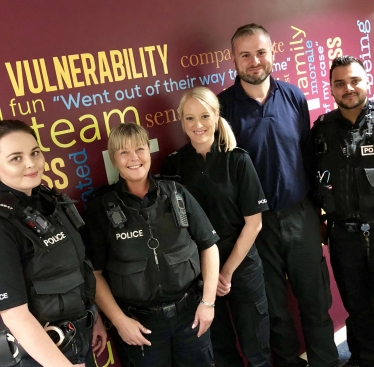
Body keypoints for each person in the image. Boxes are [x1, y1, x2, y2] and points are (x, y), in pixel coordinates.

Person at [217, 23, 338, 367]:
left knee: (316, 304)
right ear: (234, 59)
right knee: (274, 312)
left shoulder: (294, 96)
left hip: (301, 215)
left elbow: (307, 154)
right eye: (245, 55)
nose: (254, 61)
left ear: (273, 53)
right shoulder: (223, 108)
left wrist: (318, 212)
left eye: (260, 52)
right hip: (255, 226)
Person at [83, 122, 220, 367]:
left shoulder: (176, 193)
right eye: (124, 152)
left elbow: (209, 246)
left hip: (191, 315)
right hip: (140, 326)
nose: (134, 158)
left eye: (139, 149)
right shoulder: (100, 209)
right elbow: (94, 274)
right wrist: (120, 321)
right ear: (114, 159)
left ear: (149, 151)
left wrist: (208, 303)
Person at [161, 86, 271, 367]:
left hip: (241, 265)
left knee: (256, 345)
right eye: (189, 118)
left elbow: (253, 224)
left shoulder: (237, 159)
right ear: (181, 121)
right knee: (220, 348)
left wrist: (226, 271)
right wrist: (211, 276)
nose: (197, 125)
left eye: (204, 116)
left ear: (217, 116)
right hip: (200, 272)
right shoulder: (173, 166)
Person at [0, 120, 107, 367]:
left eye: (34, 152)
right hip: (39, 356)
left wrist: (93, 317)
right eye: (16, 158)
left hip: (77, 340)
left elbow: (77, 268)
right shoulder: (4, 223)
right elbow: (14, 315)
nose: (30, 163)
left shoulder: (50, 201)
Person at [310, 55, 374, 367]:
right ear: (332, 89)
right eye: (339, 83)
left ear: (367, 81)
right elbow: (312, 178)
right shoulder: (321, 129)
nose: (348, 88)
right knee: (357, 305)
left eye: (354, 80)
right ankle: (364, 358)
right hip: (344, 235)